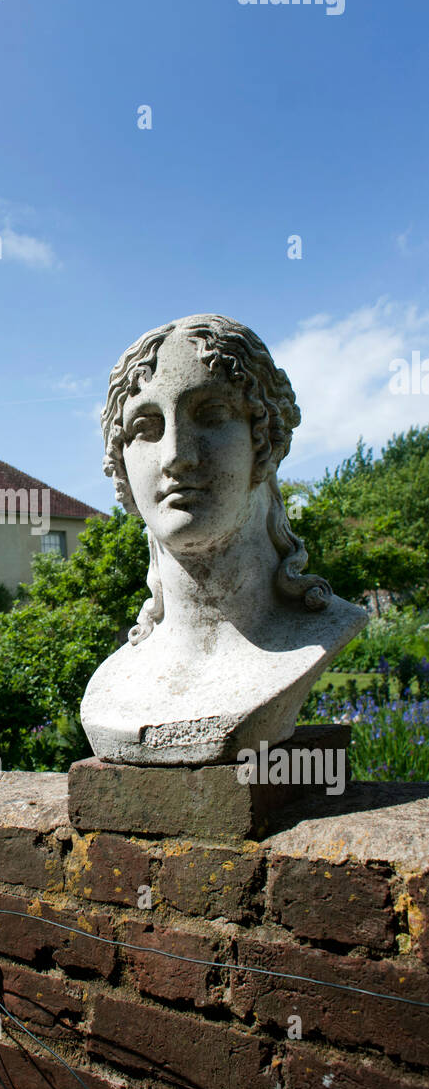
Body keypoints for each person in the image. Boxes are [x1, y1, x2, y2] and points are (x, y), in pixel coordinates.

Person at [80, 314, 367, 765]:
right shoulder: (113, 688)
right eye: (146, 427)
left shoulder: (320, 633)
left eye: (212, 415)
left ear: (265, 441)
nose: (176, 455)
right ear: (121, 467)